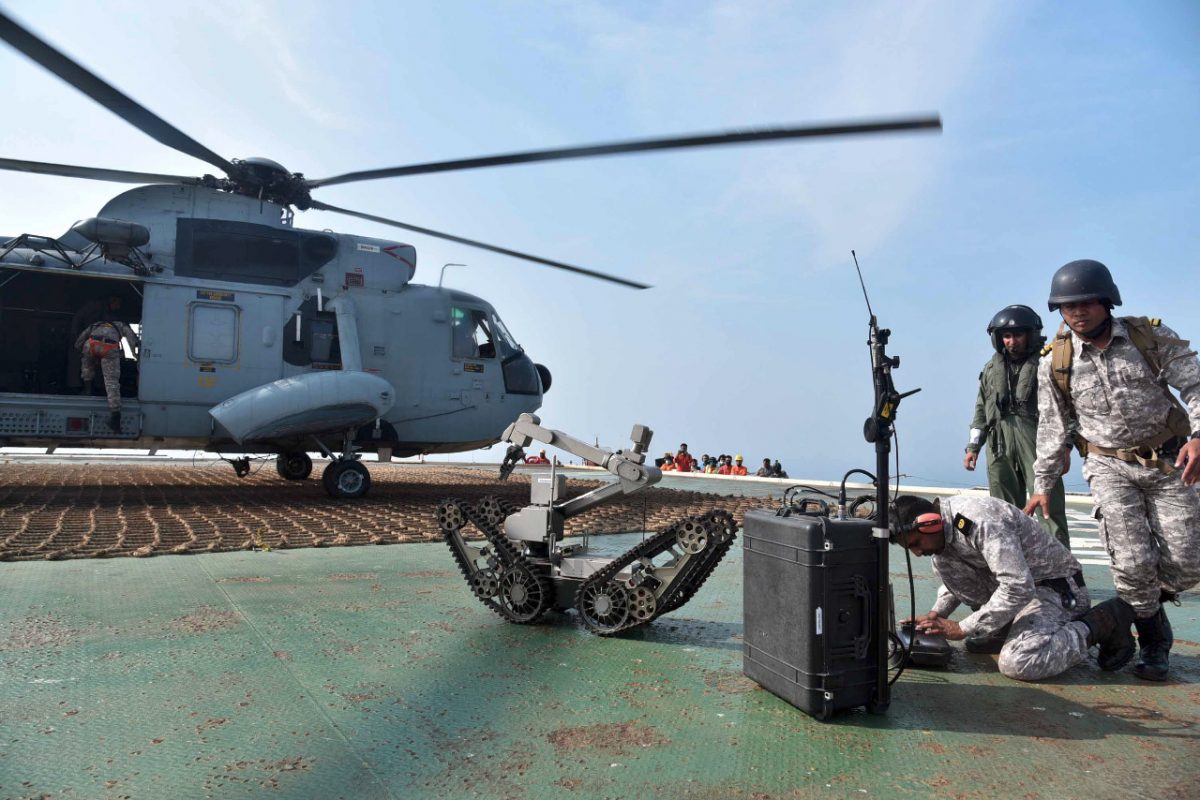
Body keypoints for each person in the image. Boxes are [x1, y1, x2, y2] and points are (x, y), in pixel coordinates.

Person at [1024, 259, 1200, 681]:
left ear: (1107, 302)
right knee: (1132, 564)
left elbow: (1195, 384)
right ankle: (1154, 640)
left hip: (1168, 461)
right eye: (1068, 307)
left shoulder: (1148, 336)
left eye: (1085, 303)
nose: (1077, 313)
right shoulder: (1055, 361)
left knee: (1188, 562)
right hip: (1108, 467)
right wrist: (1043, 483)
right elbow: (1052, 426)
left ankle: (1121, 613)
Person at [892, 494, 1135, 681]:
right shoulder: (944, 533)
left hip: (1054, 589)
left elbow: (1017, 586)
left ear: (931, 524)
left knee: (1019, 662)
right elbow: (959, 573)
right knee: (943, 563)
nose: (917, 553)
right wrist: (936, 614)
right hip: (1019, 592)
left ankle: (1102, 621)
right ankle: (1005, 627)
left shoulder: (980, 520)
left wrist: (963, 627)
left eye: (916, 543)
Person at [964, 304, 1070, 548]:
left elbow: (1067, 406)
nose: (1012, 342)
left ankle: (1061, 564)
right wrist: (973, 446)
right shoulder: (991, 369)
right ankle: (1011, 560)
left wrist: (1065, 446)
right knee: (1003, 508)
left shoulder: (1049, 363)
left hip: (1038, 439)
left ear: (1030, 335)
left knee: (1048, 506)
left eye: (1018, 335)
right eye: (1007, 336)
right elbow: (981, 408)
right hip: (998, 442)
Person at [74, 312, 139, 430]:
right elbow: (132, 340)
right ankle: (115, 415)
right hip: (109, 347)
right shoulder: (121, 325)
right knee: (111, 381)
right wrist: (136, 356)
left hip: (92, 344)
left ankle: (88, 390)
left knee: (87, 366)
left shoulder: (95, 325)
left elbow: (80, 340)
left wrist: (80, 351)